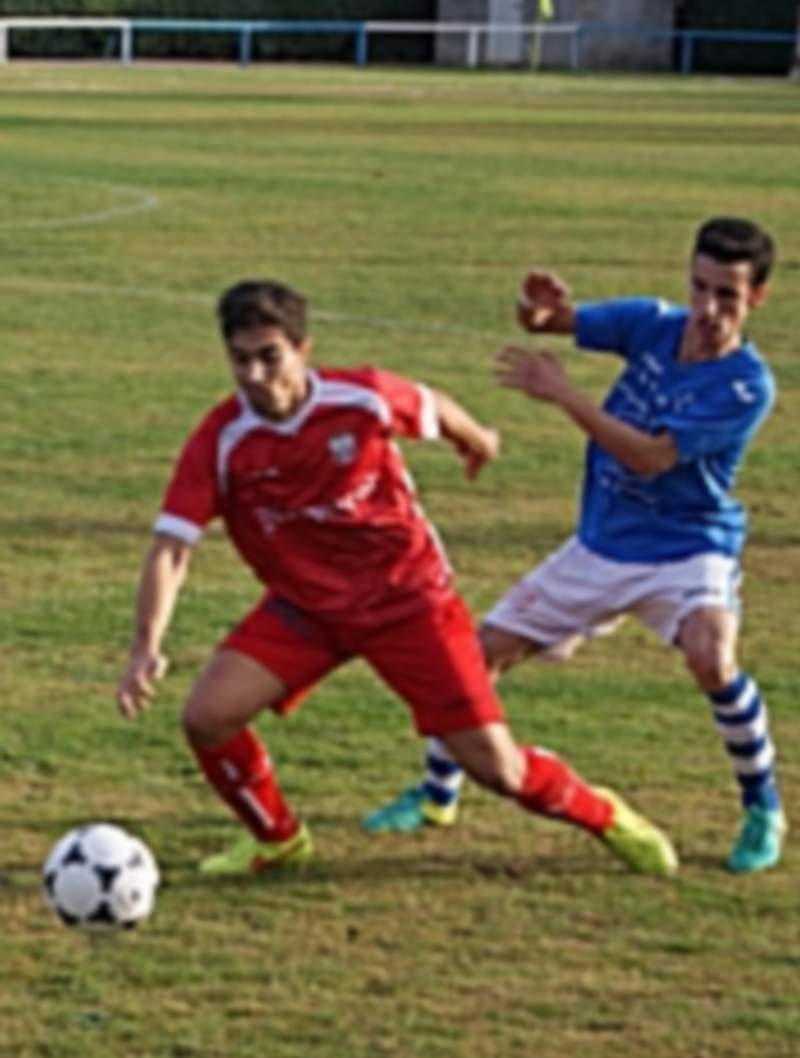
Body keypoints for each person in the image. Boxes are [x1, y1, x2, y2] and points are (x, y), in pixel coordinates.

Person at [116, 278, 677, 879]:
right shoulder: (221, 440)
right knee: (207, 715)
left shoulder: (361, 400)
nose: (254, 374)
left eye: (269, 356)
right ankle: (276, 838)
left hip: (408, 602)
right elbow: (172, 546)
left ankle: (604, 813)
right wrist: (146, 647)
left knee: (499, 770)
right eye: (240, 358)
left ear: (303, 350)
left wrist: (477, 438)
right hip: (307, 608)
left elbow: (430, 405)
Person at [365, 217, 784, 875]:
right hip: (603, 545)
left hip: (688, 547)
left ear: (756, 297)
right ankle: (436, 795)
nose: (707, 308)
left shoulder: (745, 386)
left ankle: (763, 806)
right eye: (700, 287)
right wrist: (537, 306)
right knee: (475, 658)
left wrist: (565, 395)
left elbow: (649, 457)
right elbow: (551, 321)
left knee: (712, 656)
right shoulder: (652, 323)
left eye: (726, 296)